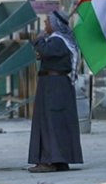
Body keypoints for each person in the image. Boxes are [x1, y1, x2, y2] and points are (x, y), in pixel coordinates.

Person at [27, 10, 84, 173]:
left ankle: (49, 161)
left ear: (54, 24)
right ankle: (59, 160)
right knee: (56, 122)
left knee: (50, 122)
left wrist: (38, 39)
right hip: (53, 84)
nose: (45, 24)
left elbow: (45, 51)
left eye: (47, 22)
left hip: (54, 85)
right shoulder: (60, 41)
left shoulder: (59, 41)